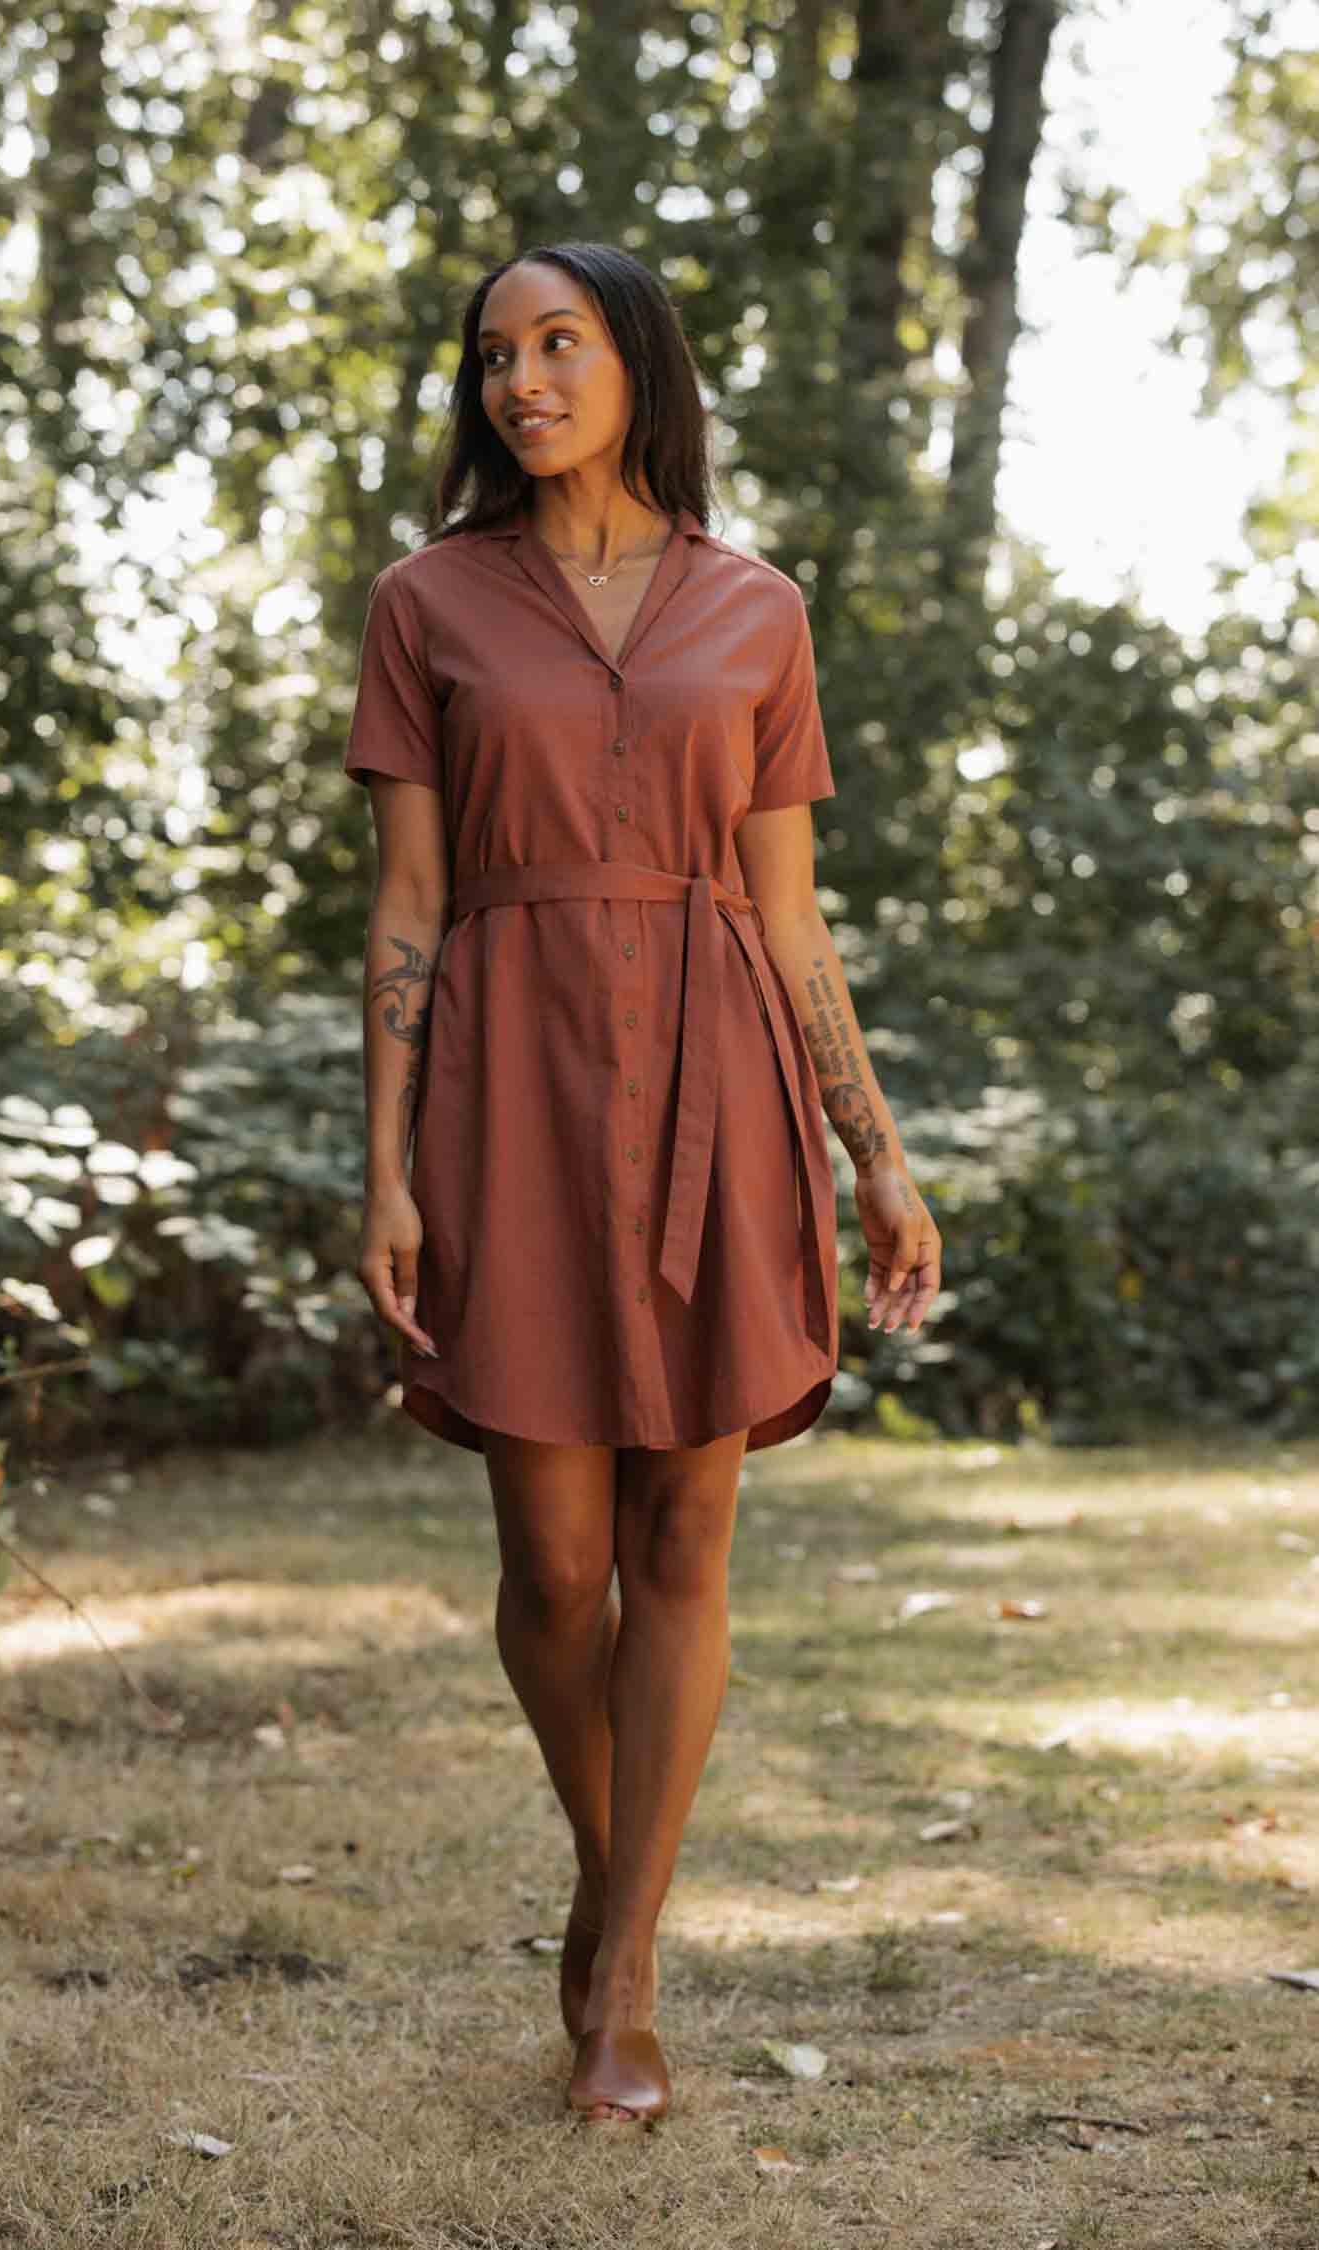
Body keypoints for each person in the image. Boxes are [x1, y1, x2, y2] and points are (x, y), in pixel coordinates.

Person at [345, 241, 943, 2127]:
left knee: (684, 1539)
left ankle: (618, 1967)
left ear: (636, 365)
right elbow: (411, 908)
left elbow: (787, 914)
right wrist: (385, 1163)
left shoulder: (754, 610)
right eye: (496, 355)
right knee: (555, 1562)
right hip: (513, 1089)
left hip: (722, 1077)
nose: (522, 381)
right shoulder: (426, 602)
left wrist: (875, 1147)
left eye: (559, 345)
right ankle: (618, 1885)